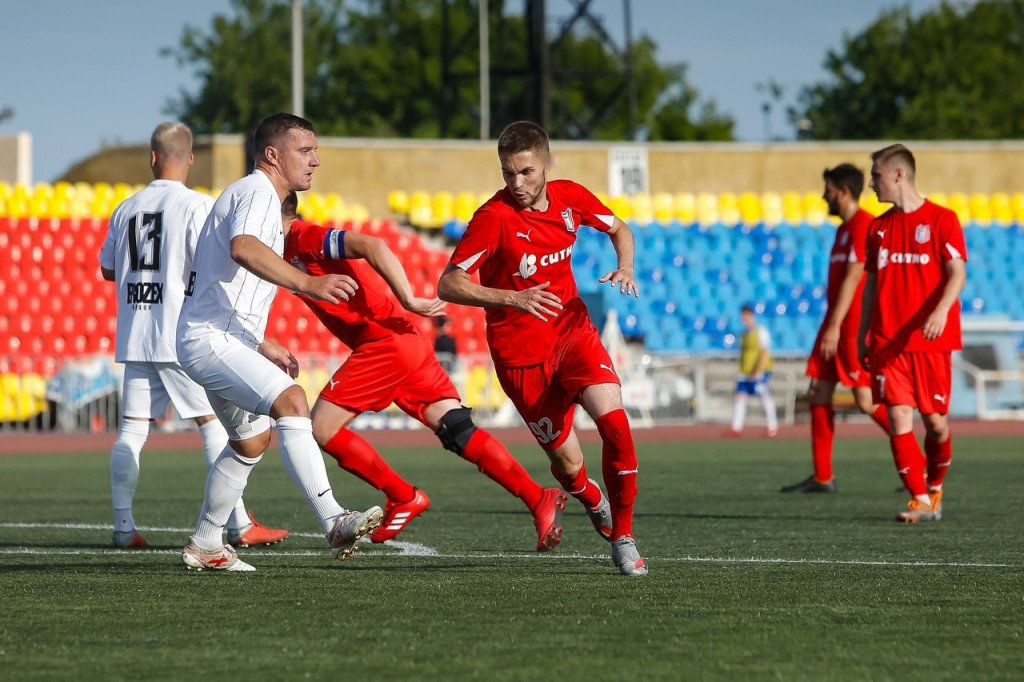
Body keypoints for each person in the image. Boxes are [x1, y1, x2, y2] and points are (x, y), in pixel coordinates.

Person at [280, 192, 569, 551]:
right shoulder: (280, 252)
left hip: (384, 340)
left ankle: (402, 495)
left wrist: (409, 297)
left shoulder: (302, 236)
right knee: (457, 431)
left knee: (320, 427)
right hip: (403, 339)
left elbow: (374, 245)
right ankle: (538, 497)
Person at [175, 112, 382, 571]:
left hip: (220, 336)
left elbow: (223, 279)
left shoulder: (257, 196)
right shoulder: (257, 191)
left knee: (251, 442)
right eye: (305, 151)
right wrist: (308, 285)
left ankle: (206, 543)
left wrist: (258, 341)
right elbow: (243, 249)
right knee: (292, 400)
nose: (316, 161)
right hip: (209, 340)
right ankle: (333, 519)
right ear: (273, 155)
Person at [437, 120, 646, 576]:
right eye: (508, 173)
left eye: (526, 172)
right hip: (521, 357)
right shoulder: (492, 218)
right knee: (568, 465)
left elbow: (620, 228)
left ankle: (624, 538)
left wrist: (625, 265)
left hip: (573, 333)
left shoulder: (571, 197)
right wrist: (513, 297)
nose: (516, 184)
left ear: (547, 164)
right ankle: (590, 497)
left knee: (615, 424)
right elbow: (449, 283)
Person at [98, 122, 288, 549]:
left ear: (152, 158)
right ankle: (237, 526)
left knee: (131, 431)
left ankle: (123, 528)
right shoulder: (197, 204)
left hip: (135, 329)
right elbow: (209, 266)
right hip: (181, 330)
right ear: (190, 159)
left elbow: (108, 268)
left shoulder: (125, 207)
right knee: (214, 426)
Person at [858, 143, 967, 523]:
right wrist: (861, 336)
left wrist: (940, 312)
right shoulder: (877, 228)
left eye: (876, 175)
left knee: (936, 423)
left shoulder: (942, 219)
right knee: (899, 418)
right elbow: (870, 286)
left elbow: (957, 274)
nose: (872, 183)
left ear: (898, 175)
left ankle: (935, 488)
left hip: (931, 341)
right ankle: (919, 499)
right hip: (888, 343)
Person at [781, 164, 891, 493]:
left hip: (852, 325)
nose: (823, 196)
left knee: (866, 400)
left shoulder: (863, 225)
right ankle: (823, 476)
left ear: (843, 191)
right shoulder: (844, 229)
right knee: (819, 393)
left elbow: (855, 277)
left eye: (827, 190)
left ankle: (920, 459)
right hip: (837, 321)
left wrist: (836, 327)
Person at [726, 305, 778, 438]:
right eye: (743, 317)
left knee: (764, 396)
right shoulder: (743, 335)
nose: (745, 319)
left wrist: (758, 370)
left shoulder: (761, 331)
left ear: (752, 316)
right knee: (740, 397)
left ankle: (772, 426)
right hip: (745, 372)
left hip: (759, 371)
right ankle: (736, 427)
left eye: (747, 316)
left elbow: (764, 351)